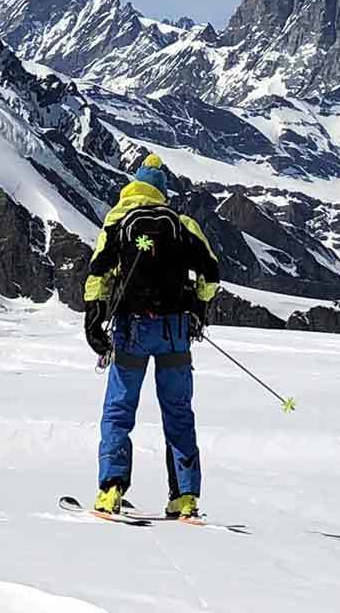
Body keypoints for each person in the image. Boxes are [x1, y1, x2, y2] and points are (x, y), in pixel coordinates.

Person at [80, 154, 221, 519]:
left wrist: (94, 323)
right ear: (161, 191)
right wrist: (199, 311)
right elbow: (211, 273)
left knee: (119, 409)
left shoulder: (118, 221)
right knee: (178, 413)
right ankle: (185, 497)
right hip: (174, 331)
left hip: (131, 330)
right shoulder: (181, 223)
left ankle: (111, 489)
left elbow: (98, 274)